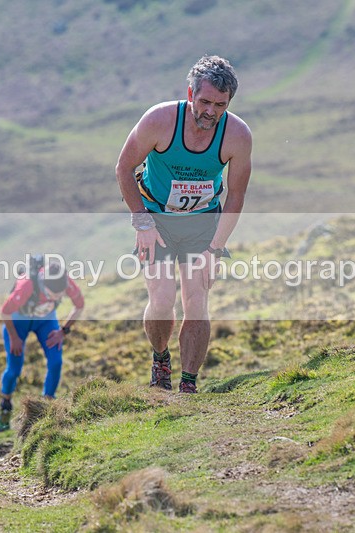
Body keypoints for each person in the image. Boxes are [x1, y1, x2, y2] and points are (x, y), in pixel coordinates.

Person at [115, 55, 252, 394]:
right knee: (162, 300)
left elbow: (235, 197)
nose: (210, 111)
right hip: (156, 220)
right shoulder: (160, 120)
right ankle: (160, 357)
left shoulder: (237, 135)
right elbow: (123, 168)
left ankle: (188, 385)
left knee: (196, 300)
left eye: (220, 105)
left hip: (202, 222)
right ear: (190, 95)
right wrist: (142, 222)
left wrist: (215, 249)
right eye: (204, 101)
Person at [0, 256, 84, 431]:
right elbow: (5, 312)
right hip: (18, 322)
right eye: (51, 296)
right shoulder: (27, 284)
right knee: (14, 369)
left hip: (45, 321)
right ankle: (5, 405)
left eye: (59, 297)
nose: (55, 298)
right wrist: (14, 338)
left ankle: (47, 408)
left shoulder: (65, 281)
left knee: (56, 362)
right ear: (44, 284)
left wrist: (63, 331)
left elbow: (79, 305)